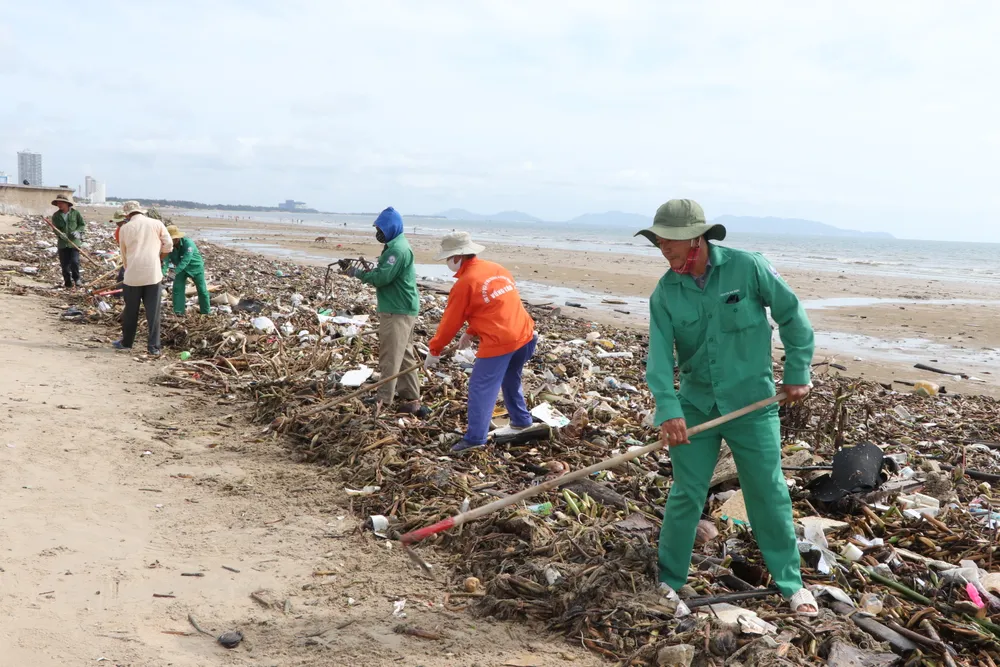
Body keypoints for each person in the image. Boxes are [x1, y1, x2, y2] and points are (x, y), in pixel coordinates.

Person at [637, 198, 818, 617]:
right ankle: (669, 582)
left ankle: (792, 585)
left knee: (768, 492)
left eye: (670, 242)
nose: (664, 250)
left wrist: (797, 370)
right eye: (659, 242)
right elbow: (659, 358)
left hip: (753, 405)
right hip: (696, 406)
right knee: (686, 493)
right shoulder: (666, 291)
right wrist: (668, 410)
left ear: (696, 239)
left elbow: (792, 315)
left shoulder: (748, 267)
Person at [424, 232, 537, 453]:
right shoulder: (497, 269)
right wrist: (471, 332)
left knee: (480, 387)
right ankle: (521, 420)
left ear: (458, 257)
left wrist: (434, 350)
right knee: (510, 376)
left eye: (448, 258)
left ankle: (475, 439)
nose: (448, 262)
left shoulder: (465, 283)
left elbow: (449, 323)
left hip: (501, 340)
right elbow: (495, 306)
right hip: (526, 334)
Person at [344, 207, 427, 416]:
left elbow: (382, 278)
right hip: (403, 306)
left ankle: (384, 399)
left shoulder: (396, 251)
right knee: (405, 354)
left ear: (391, 228)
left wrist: (356, 273)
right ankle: (410, 396)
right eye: (377, 228)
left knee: (390, 355)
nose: (378, 233)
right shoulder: (396, 246)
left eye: (381, 228)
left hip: (397, 308)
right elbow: (383, 274)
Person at [115, 200, 172, 356]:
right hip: (152, 274)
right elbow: (168, 245)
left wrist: (128, 268)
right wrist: (159, 258)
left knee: (131, 311)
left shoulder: (125, 228)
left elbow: (124, 253)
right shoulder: (156, 223)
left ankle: (127, 343)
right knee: (153, 313)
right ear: (141, 211)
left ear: (127, 214)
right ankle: (154, 347)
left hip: (132, 275)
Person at [162, 225, 210, 316]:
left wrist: (175, 271)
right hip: (181, 269)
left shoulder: (188, 243)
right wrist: (162, 273)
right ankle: (179, 312)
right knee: (177, 289)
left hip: (195, 268)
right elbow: (165, 260)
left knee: (202, 290)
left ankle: (206, 312)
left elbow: (186, 259)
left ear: (177, 238)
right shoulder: (169, 246)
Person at [48, 194, 85, 288]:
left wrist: (78, 231)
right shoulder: (56, 216)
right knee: (65, 265)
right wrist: (60, 234)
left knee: (74, 262)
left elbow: (82, 224)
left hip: (74, 243)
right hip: (63, 244)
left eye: (61, 203)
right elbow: (55, 228)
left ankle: (77, 279)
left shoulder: (75, 213)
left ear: (67, 204)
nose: (59, 205)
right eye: (58, 203)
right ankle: (67, 282)